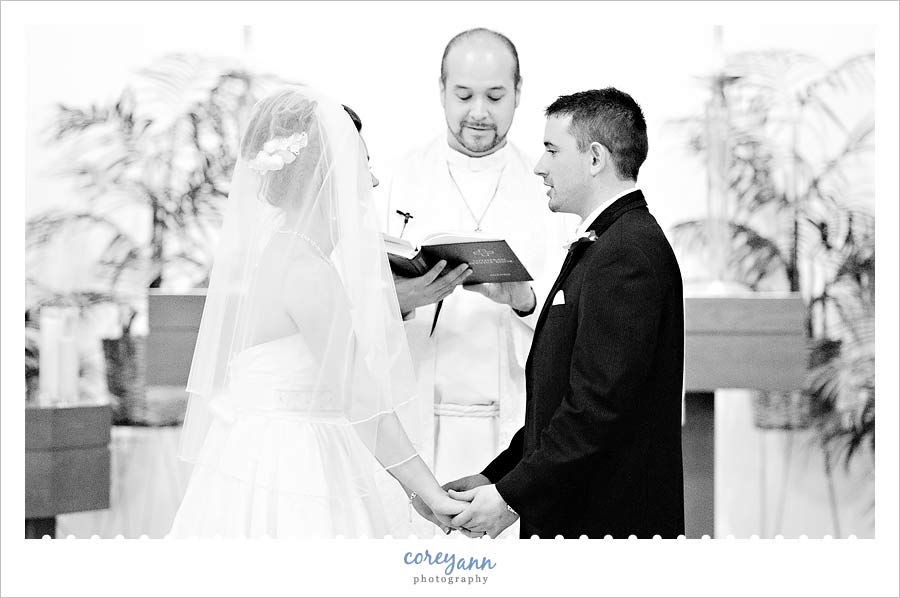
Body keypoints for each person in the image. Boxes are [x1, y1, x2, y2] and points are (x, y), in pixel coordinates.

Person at [169, 88, 466, 538]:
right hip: (290, 472)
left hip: (277, 454)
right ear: (329, 177)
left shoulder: (289, 255)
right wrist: (430, 492)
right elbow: (361, 396)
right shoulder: (306, 269)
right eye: (362, 165)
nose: (372, 182)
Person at [447, 88, 686, 539]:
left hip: (607, 526)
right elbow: (560, 403)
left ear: (595, 158)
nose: (539, 165)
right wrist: (496, 477)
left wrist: (510, 498)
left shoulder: (626, 254)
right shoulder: (609, 241)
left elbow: (595, 409)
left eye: (552, 150)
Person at [377, 28, 572, 538]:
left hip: (511, 422)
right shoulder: (399, 178)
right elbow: (353, 298)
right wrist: (403, 299)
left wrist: (525, 300)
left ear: (519, 93)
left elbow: (576, 308)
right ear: (441, 91)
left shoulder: (548, 186)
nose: (478, 111)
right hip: (416, 413)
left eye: (495, 96)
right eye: (463, 95)